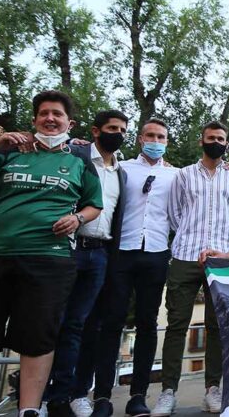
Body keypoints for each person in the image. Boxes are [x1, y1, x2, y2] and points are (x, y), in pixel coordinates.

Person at [0, 90, 103, 417]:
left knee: (39, 336)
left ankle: (29, 409)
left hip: (48, 257)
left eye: (57, 114)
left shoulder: (79, 160)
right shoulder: (7, 153)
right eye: (44, 113)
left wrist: (76, 218)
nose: (50, 119)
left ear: (68, 122)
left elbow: (94, 205)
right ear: (34, 120)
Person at [85, 118, 179, 417]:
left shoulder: (176, 175)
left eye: (161, 136)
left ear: (167, 141)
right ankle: (102, 397)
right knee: (111, 323)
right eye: (150, 135)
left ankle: (138, 396)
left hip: (156, 253)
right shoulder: (122, 168)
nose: (156, 140)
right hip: (122, 252)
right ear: (140, 139)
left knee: (148, 324)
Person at [44, 110, 130, 417]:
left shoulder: (122, 172)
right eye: (111, 128)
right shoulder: (75, 154)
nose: (117, 134)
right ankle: (46, 395)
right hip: (68, 249)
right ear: (96, 131)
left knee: (84, 325)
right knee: (54, 321)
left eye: (122, 130)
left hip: (101, 254)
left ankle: (77, 392)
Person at [158, 121, 229, 415]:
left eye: (221, 138)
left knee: (217, 327)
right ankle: (168, 392)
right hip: (185, 255)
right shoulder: (183, 175)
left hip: (221, 259)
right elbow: (174, 214)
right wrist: (192, 238)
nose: (216, 142)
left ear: (226, 144)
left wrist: (221, 247)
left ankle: (213, 389)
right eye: (211, 138)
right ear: (201, 141)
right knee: (176, 325)